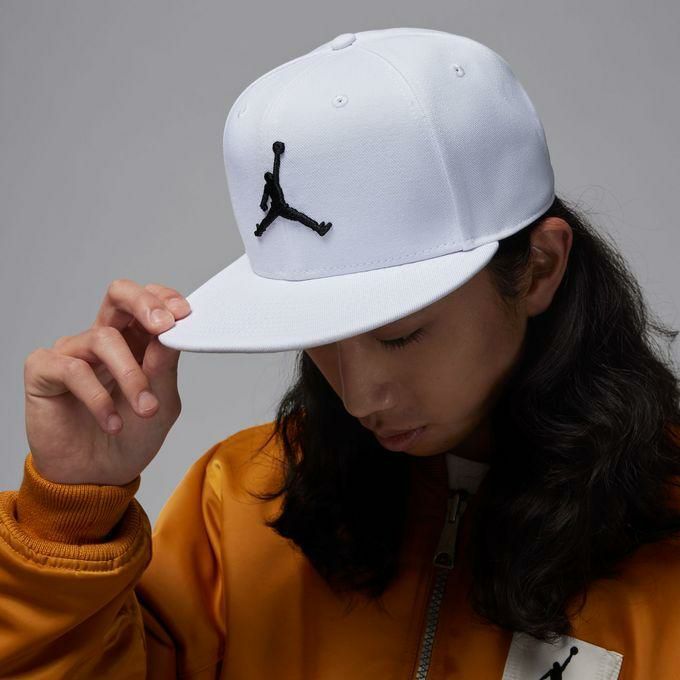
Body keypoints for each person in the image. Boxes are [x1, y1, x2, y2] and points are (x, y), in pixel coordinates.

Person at [2, 27, 680, 680]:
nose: (358, 397)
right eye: (319, 334)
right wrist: (72, 514)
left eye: (399, 334)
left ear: (539, 267)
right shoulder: (238, 505)